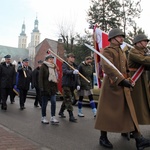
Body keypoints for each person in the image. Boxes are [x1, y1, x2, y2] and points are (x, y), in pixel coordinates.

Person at [94, 28, 150, 150]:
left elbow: (126, 68)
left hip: (124, 85)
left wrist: (128, 78)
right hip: (112, 86)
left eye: (122, 37)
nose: (122, 39)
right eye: (119, 37)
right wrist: (120, 80)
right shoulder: (108, 51)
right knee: (106, 114)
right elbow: (108, 67)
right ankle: (103, 137)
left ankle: (138, 139)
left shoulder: (122, 51)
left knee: (130, 111)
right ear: (112, 39)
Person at [128, 34, 150, 125]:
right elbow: (143, 60)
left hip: (142, 78)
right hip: (135, 79)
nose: (146, 43)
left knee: (143, 103)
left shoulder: (145, 52)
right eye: (145, 41)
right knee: (136, 103)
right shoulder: (133, 51)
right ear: (138, 42)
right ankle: (131, 127)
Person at [58, 53, 79, 122]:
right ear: (68, 58)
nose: (73, 58)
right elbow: (65, 71)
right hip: (66, 84)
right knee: (69, 100)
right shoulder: (65, 64)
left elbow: (77, 76)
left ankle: (61, 111)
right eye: (71, 57)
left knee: (66, 99)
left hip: (72, 85)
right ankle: (71, 116)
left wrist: (78, 84)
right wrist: (72, 72)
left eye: (74, 57)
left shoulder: (75, 66)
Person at [39, 54, 59, 124]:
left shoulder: (53, 67)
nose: (52, 60)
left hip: (52, 87)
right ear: (47, 60)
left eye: (52, 59)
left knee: (53, 102)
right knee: (44, 103)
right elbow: (40, 77)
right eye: (50, 59)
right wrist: (41, 87)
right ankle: (43, 117)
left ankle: (53, 117)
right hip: (45, 88)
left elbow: (55, 77)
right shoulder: (43, 67)